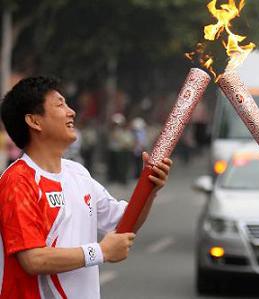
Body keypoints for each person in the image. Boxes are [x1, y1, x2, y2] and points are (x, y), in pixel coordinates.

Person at [0, 76, 172, 298]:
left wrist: (150, 190)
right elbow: (33, 260)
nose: (71, 112)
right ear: (34, 121)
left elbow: (124, 224)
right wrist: (100, 251)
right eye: (60, 104)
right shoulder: (18, 182)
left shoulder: (78, 174)